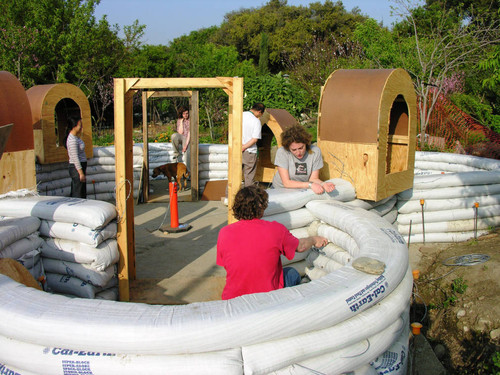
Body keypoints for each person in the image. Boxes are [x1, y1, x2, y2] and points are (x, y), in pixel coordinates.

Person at [216, 185, 329, 300]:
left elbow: (227, 264)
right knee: (292, 273)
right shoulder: (275, 229)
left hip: (232, 298)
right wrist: (314, 239)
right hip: (268, 297)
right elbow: (300, 247)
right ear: (261, 207)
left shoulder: (224, 232)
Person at [272, 124, 336, 195]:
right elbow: (287, 183)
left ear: (306, 143)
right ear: (288, 148)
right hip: (280, 189)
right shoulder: (282, 152)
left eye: (301, 148)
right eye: (294, 150)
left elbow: (313, 179)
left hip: (302, 189)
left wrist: (323, 184)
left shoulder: (315, 152)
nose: (298, 152)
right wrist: (310, 185)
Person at [242, 103, 265, 187]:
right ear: (259, 111)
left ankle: (228, 197)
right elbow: (255, 139)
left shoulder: (240, 115)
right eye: (261, 114)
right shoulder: (256, 121)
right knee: (249, 176)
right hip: (249, 152)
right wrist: (244, 147)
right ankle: (248, 198)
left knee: (234, 174)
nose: (260, 116)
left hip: (236, 149)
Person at [64, 116, 87, 198]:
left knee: (81, 190)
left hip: (80, 166)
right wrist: (80, 173)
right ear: (74, 126)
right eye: (79, 125)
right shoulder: (72, 140)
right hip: (76, 168)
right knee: (78, 191)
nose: (81, 127)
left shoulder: (75, 138)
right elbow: (75, 157)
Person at [171, 106, 190, 172]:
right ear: (181, 114)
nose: (186, 115)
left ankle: (188, 171)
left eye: (187, 113)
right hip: (182, 137)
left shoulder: (190, 120)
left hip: (188, 138)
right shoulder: (179, 120)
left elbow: (189, 134)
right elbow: (180, 132)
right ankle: (176, 154)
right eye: (184, 114)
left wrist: (185, 146)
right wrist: (181, 122)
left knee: (188, 152)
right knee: (174, 135)